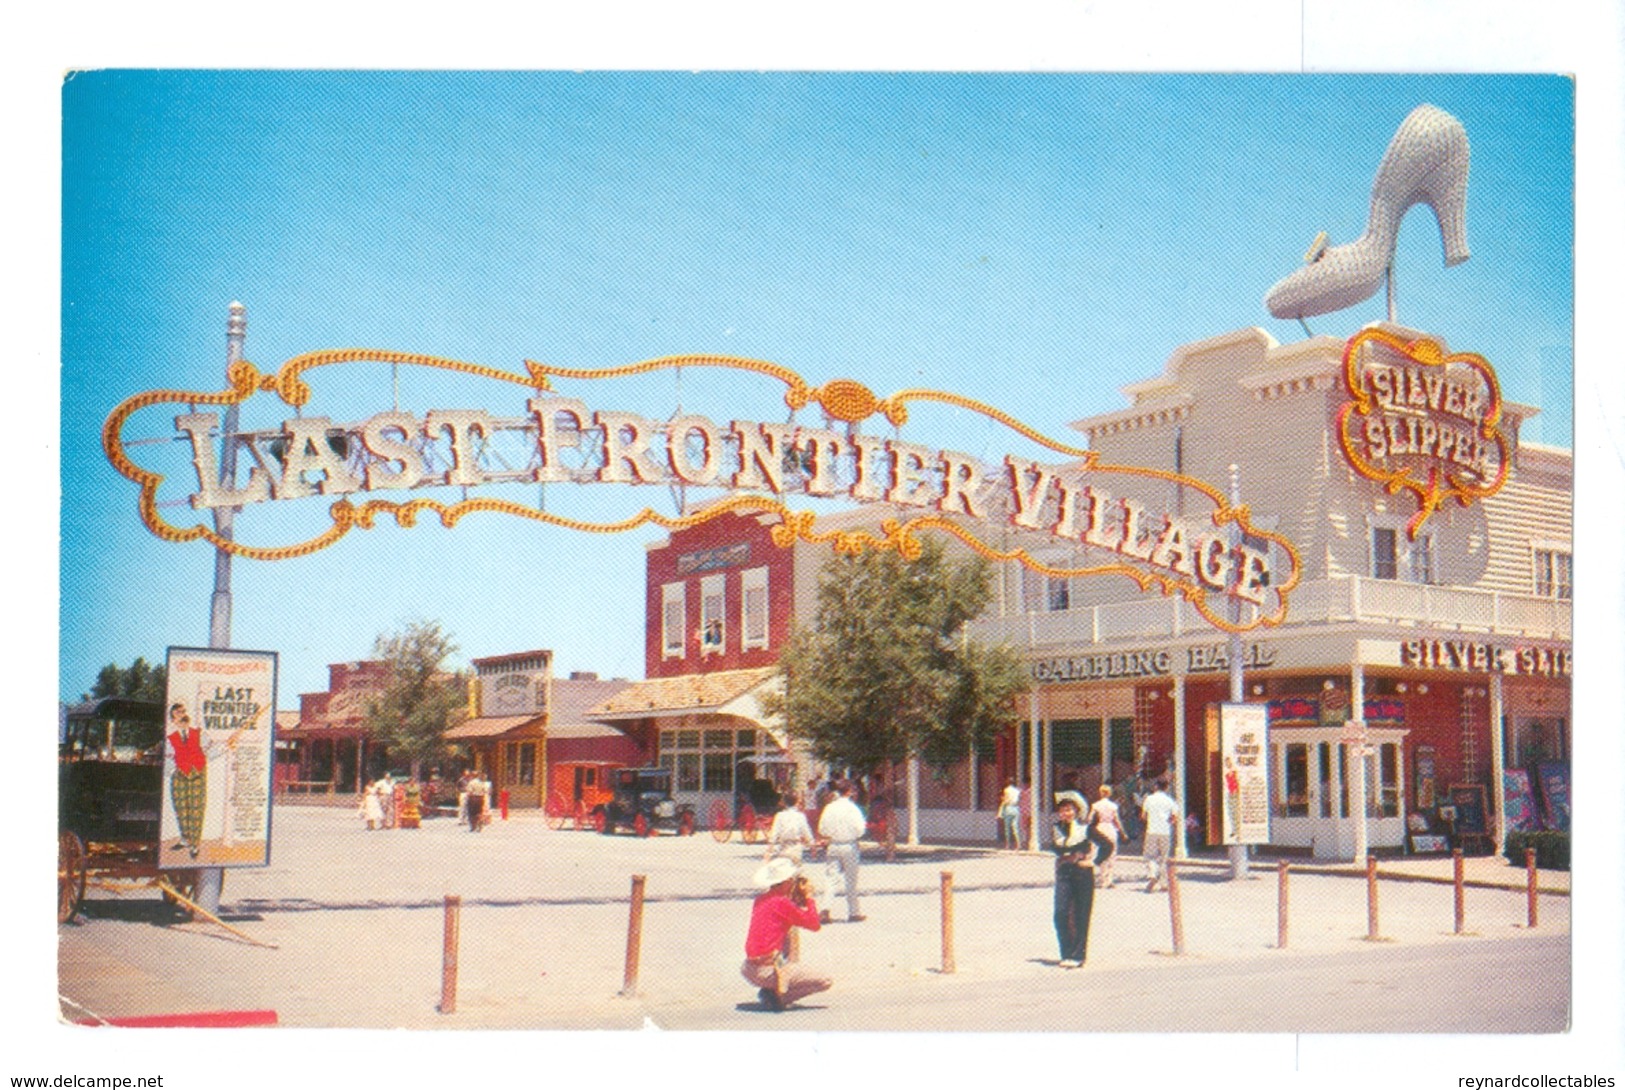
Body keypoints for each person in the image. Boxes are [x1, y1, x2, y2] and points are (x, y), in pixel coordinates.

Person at [741, 856, 831, 1011]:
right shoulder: (782, 903)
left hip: (749, 967)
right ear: (787, 881)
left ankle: (773, 988)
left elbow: (783, 922)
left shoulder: (761, 900)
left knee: (788, 934)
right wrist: (809, 897)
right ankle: (779, 997)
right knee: (825, 981)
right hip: (766, 970)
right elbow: (814, 924)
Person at [1050, 790, 1096, 968]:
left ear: (1076, 811)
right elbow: (1055, 848)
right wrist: (1066, 855)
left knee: (1080, 914)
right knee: (1060, 912)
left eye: (1069, 810)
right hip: (1064, 873)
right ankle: (1066, 952)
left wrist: (1092, 861)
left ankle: (1078, 955)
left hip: (1082, 874)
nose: (1066, 814)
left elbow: (1107, 845)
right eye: (1062, 810)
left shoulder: (1086, 828)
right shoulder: (1057, 828)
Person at [816, 779, 867, 922]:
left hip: (833, 844)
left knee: (831, 878)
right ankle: (853, 912)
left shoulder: (829, 808)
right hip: (849, 845)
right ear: (849, 791)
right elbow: (860, 829)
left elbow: (822, 828)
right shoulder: (852, 808)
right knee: (851, 880)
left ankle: (825, 909)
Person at [165, 702, 208, 858]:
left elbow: (211, 749)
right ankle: (185, 838)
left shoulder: (198, 733)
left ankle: (195, 845)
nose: (182, 714)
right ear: (173, 716)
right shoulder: (169, 734)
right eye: (178, 712)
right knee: (181, 808)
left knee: (196, 809)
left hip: (197, 772)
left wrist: (227, 746)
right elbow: (168, 756)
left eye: (183, 711)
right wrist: (172, 772)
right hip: (179, 774)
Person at [1140, 778, 1180, 893]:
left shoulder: (1149, 799)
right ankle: (1164, 884)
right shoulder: (1169, 800)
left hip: (1152, 830)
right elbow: (1175, 816)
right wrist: (1169, 823)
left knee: (1150, 856)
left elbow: (1143, 816)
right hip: (1165, 831)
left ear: (1156, 786)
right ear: (1166, 787)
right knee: (1164, 857)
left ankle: (1152, 875)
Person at [1087, 785, 1125, 888]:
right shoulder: (1113, 806)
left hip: (1099, 828)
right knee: (1112, 854)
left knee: (1100, 853)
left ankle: (1102, 878)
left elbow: (1089, 819)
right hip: (1110, 828)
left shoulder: (1095, 805)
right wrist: (1122, 832)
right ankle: (1109, 880)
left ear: (1100, 793)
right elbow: (1116, 820)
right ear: (1109, 793)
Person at [765, 793, 815, 863]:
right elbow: (806, 832)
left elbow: (774, 833)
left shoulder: (780, 816)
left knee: (784, 869)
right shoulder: (800, 816)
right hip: (796, 847)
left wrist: (769, 849)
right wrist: (812, 846)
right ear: (796, 802)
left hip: (783, 846)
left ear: (784, 802)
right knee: (795, 869)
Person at [998, 781, 1023, 849]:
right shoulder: (1018, 791)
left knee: (1007, 828)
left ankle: (1008, 844)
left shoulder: (1006, 790)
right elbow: (1019, 799)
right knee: (1015, 827)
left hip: (1008, 808)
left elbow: (1005, 801)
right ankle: (1018, 844)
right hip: (1016, 808)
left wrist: (1000, 812)